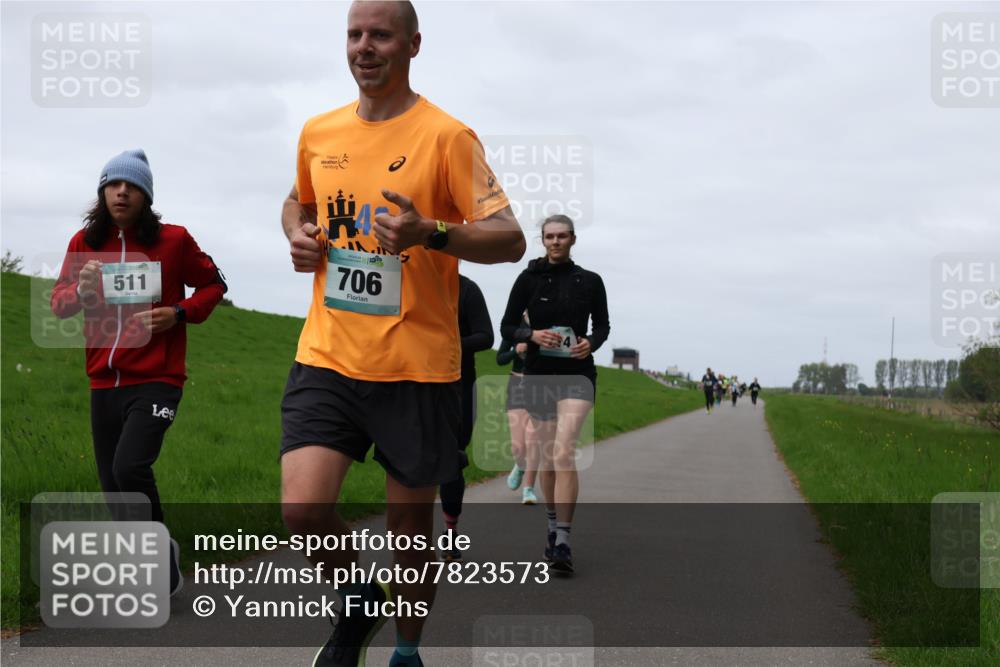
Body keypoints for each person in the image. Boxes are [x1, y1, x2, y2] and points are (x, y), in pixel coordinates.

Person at [277, 3, 525, 666]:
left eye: (380, 35)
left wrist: (432, 232)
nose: (365, 47)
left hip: (417, 367)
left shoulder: (447, 137)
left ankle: (407, 649)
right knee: (302, 509)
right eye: (355, 35)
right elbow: (296, 199)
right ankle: (359, 599)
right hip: (327, 353)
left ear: (413, 44)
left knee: (410, 532)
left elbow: (511, 238)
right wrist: (296, 232)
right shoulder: (319, 131)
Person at [51, 148, 227, 597]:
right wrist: (80, 289)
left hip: (157, 378)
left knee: (130, 467)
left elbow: (213, 285)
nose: (122, 192)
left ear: (146, 196)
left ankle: (158, 555)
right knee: (113, 486)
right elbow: (59, 305)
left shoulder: (173, 240)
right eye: (114, 184)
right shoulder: (83, 244)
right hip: (102, 381)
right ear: (103, 192)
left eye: (132, 186)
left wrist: (178, 312)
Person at [500, 214, 610, 575]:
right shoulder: (528, 279)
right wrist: (531, 336)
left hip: (577, 375)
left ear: (573, 239)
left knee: (564, 452)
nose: (556, 241)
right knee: (548, 457)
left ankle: (563, 540)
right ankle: (551, 527)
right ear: (542, 240)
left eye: (562, 236)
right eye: (550, 236)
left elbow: (603, 326)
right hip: (539, 375)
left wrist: (589, 343)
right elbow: (507, 326)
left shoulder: (590, 281)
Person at [438, 273, 493, 561]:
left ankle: (450, 533)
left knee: (452, 460)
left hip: (459, 385)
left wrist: (447, 342)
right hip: (411, 383)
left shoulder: (467, 289)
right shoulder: (407, 282)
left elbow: (486, 336)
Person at [497, 312, 539, 504]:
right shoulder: (513, 327)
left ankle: (528, 490)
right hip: (516, 386)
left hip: (541, 387)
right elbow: (500, 358)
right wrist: (516, 350)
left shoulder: (546, 324)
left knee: (533, 440)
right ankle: (520, 466)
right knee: (518, 446)